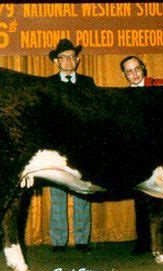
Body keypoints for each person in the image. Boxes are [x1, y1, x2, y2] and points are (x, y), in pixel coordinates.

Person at [120, 55, 163, 263]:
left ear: (144, 69)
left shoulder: (161, 86)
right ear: (124, 75)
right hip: (138, 153)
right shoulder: (123, 96)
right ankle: (143, 242)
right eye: (129, 71)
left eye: (137, 69)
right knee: (141, 197)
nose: (134, 74)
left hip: (162, 152)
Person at [47, 39, 95, 252]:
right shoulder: (47, 84)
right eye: (63, 57)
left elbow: (94, 112)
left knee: (82, 192)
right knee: (57, 194)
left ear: (78, 60)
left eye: (71, 56)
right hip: (56, 148)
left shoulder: (88, 83)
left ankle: (82, 240)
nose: (67, 60)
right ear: (56, 61)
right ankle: (58, 241)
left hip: (83, 148)